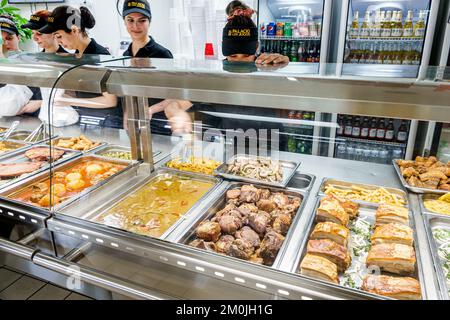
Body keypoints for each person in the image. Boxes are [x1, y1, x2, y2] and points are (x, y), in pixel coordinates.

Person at [38, 6, 123, 129]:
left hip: (106, 123)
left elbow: (110, 101)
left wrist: (69, 101)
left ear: (74, 30)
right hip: (87, 120)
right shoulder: (77, 55)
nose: (59, 41)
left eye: (59, 36)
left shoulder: (99, 55)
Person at [0, 15, 42, 117]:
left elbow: (45, 96)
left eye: (9, 38)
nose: (5, 43)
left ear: (18, 38)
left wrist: (40, 103)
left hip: (32, 120)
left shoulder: (33, 62)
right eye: (1, 41)